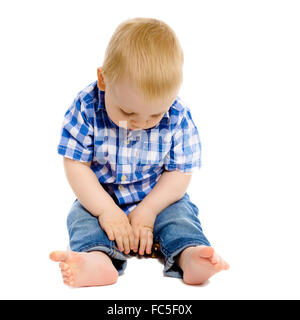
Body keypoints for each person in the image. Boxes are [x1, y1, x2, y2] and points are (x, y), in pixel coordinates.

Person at [49, 17, 229, 287]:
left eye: (155, 114)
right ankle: (97, 259)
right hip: (102, 196)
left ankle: (190, 255)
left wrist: (149, 209)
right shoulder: (85, 107)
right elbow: (76, 165)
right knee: (80, 217)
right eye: (128, 112)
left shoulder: (177, 116)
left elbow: (179, 172)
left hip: (157, 198)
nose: (141, 123)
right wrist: (105, 210)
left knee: (180, 215)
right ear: (103, 79)